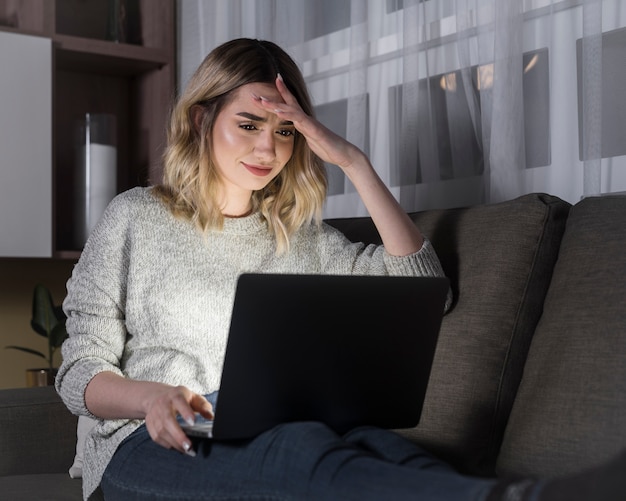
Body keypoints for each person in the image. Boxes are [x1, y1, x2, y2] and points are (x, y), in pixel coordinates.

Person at [56, 38, 625, 501]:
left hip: (268, 427)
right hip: (148, 443)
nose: (268, 148)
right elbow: (79, 372)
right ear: (204, 119)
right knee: (298, 450)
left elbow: (425, 293)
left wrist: (354, 162)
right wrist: (155, 398)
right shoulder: (134, 216)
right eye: (249, 124)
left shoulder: (300, 238)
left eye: (284, 131)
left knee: (376, 444)